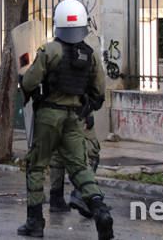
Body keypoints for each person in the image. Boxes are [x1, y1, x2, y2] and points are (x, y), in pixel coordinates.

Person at [18, 0, 113, 239]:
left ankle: (35, 222)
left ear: (57, 23)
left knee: (37, 165)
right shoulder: (89, 54)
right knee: (80, 167)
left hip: (49, 116)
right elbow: (99, 91)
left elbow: (28, 82)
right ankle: (100, 211)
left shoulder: (49, 50)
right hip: (75, 118)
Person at [49, 45, 105, 213]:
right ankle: (82, 194)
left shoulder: (47, 51)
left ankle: (56, 198)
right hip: (78, 113)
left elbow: (31, 80)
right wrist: (91, 107)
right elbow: (99, 87)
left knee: (57, 155)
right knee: (91, 151)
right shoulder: (87, 52)